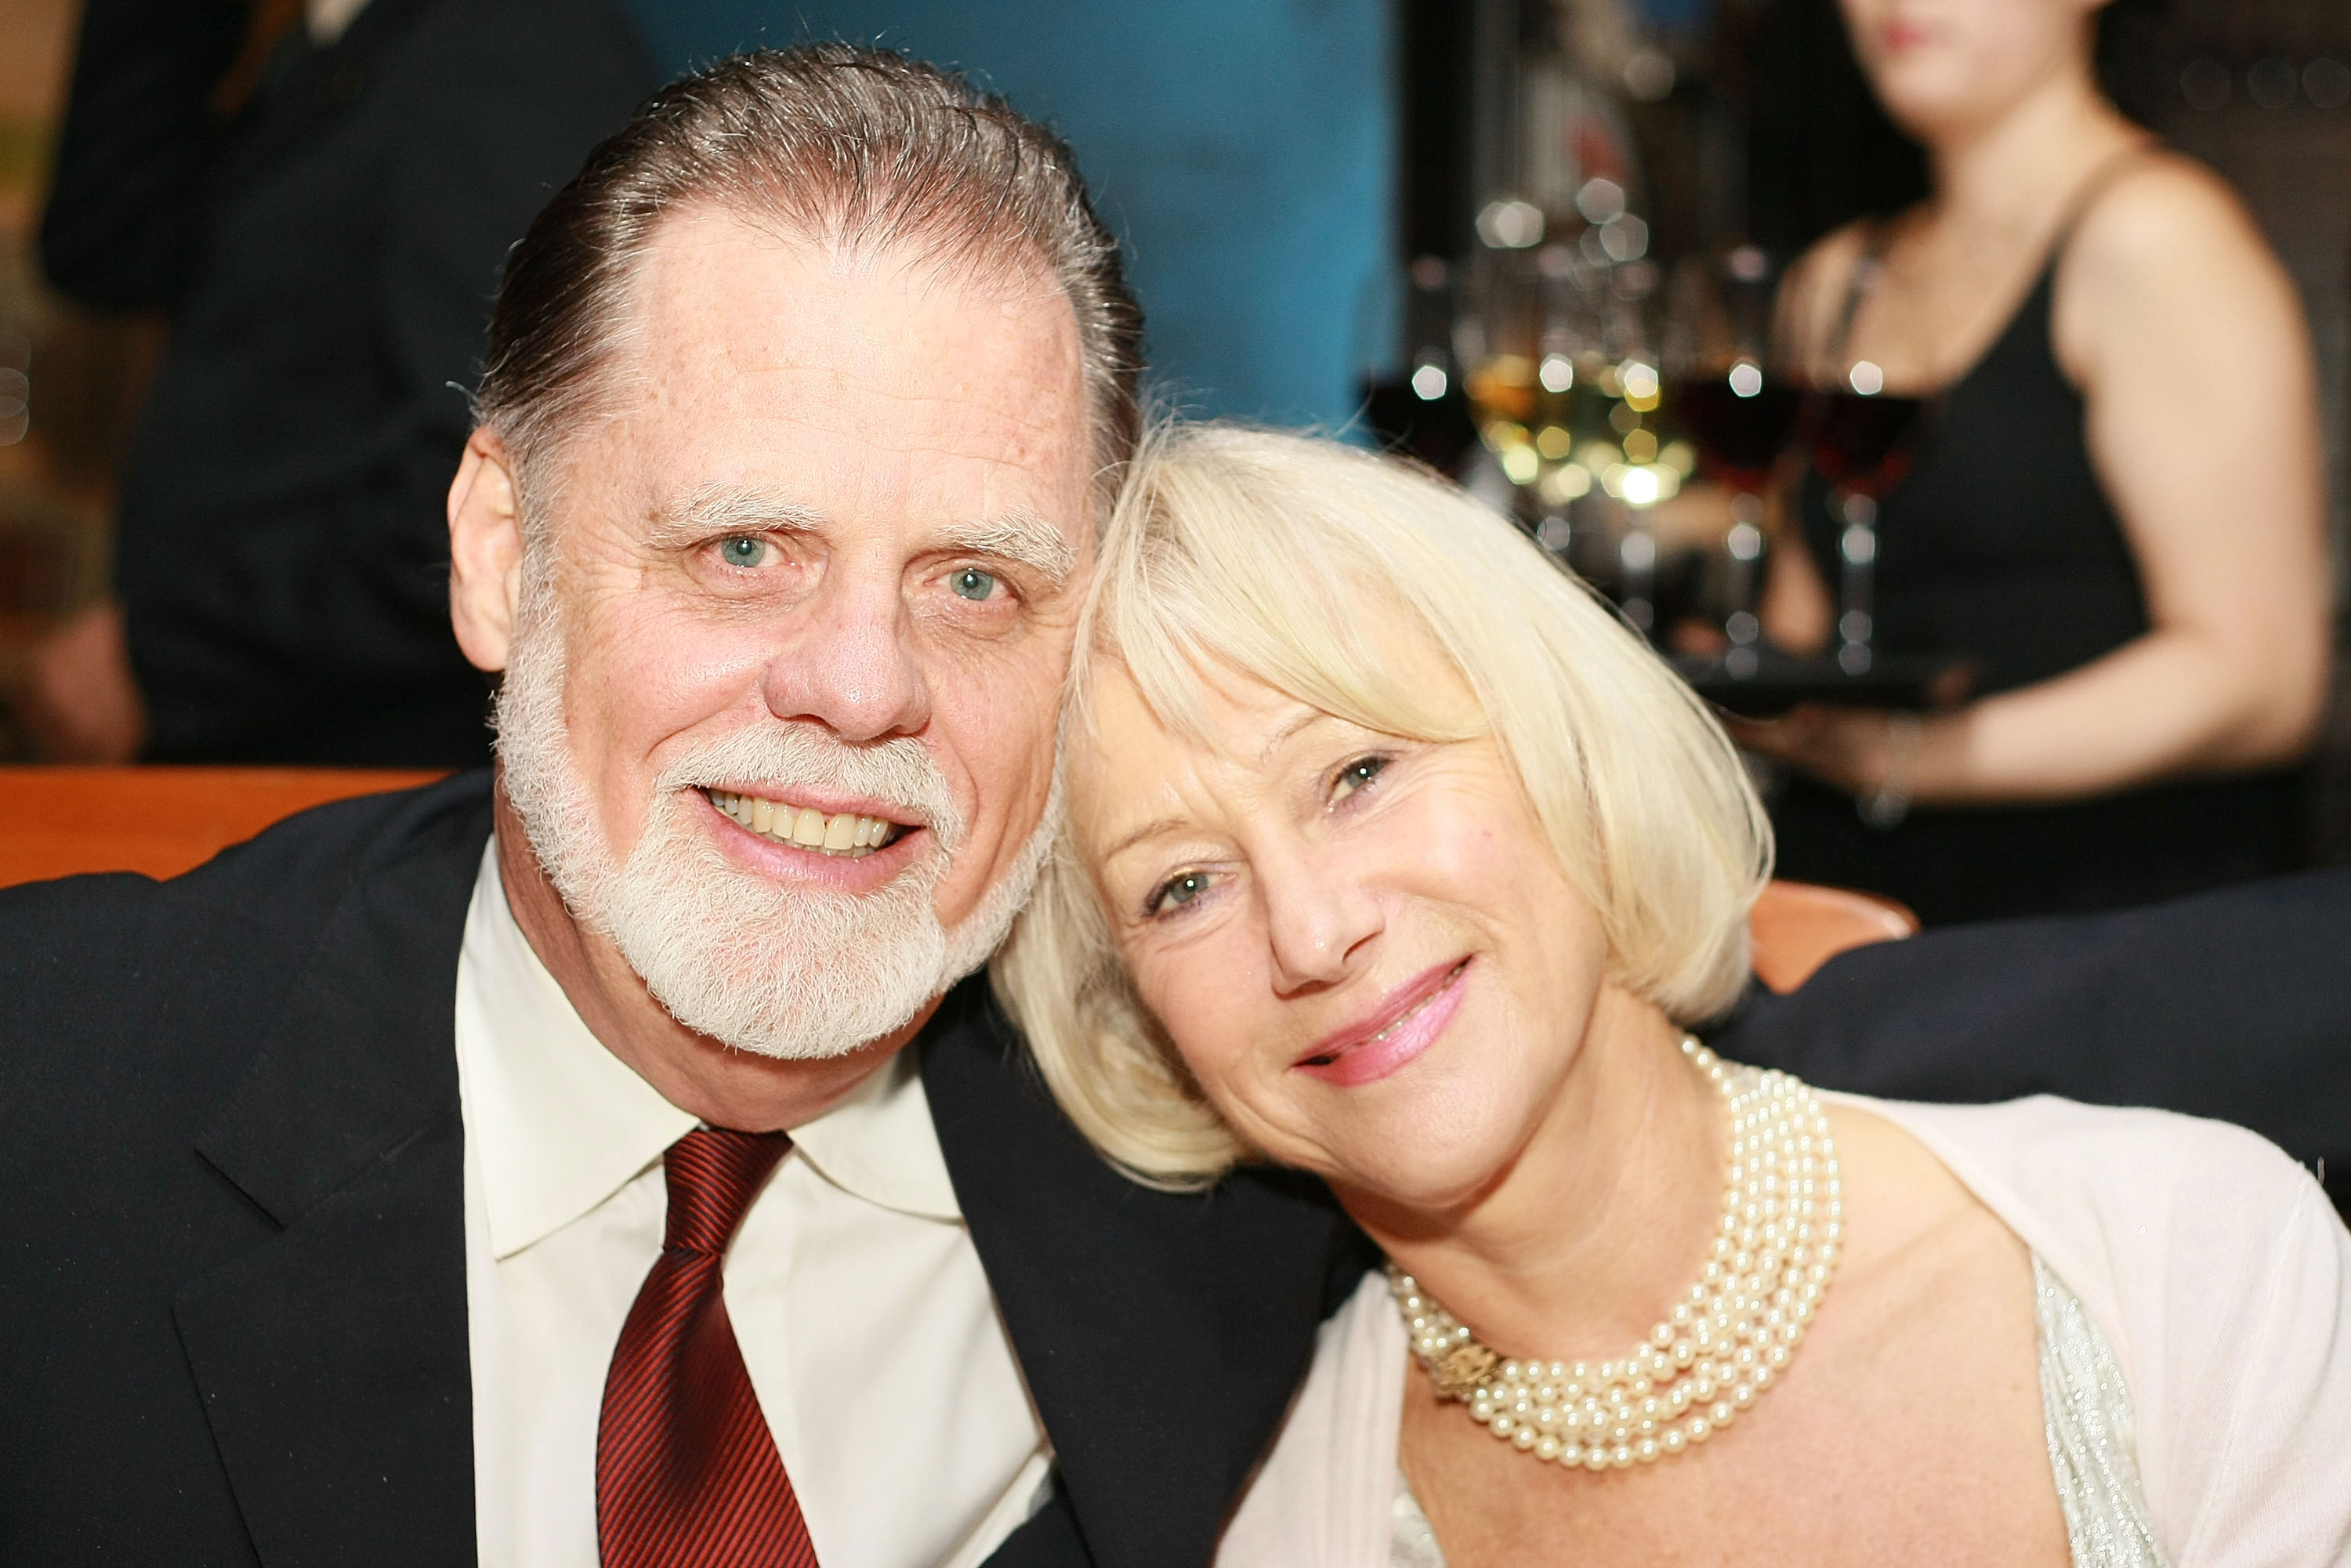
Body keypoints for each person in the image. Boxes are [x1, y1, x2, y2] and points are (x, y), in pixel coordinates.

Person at [0, 49, 1364, 1566]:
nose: (861, 687)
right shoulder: (46, 1113)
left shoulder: (1255, 1144)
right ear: (499, 556)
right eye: (744, 548)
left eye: (974, 581)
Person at [993, 422, 2351, 1564]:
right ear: (1137, 1024)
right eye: (1181, 888)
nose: (1312, 931)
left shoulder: (2188, 1261)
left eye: (1358, 775)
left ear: (1566, 754)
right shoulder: (1272, 1529)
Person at [1741, 0, 2330, 924]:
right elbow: (1805, 631)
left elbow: (2261, 680)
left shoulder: (2157, 234)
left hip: (2105, 924)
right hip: (1856, 912)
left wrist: (1914, 761)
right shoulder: (1835, 278)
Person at [25, 0, 657, 765]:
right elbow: (106, 242)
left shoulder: (508, 45)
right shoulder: (347, 40)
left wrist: (164, 659)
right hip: (266, 756)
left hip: (340, 781)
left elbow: (499, 481)